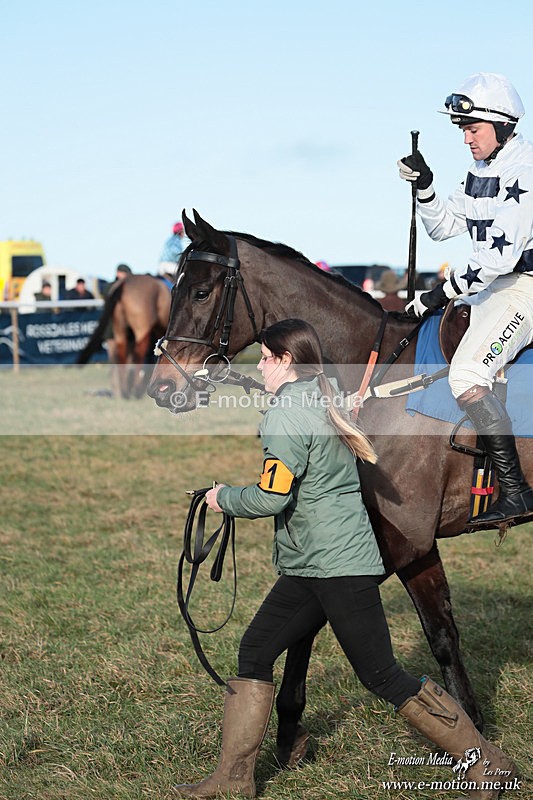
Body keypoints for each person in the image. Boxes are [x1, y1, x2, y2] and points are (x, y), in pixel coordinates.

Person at [172, 318, 515, 799]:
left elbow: (272, 496)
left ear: (287, 361)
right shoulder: (322, 390)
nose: (262, 365)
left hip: (336, 566)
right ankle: (233, 779)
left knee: (382, 676)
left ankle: (487, 765)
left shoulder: (287, 413)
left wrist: (223, 496)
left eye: (268, 357)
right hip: (311, 564)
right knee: (255, 652)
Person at [398, 72, 533, 526]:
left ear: (502, 125)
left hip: (524, 291)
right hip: (491, 290)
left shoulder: (524, 170)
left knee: (468, 372)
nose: (466, 139)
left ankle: (516, 492)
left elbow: (498, 257)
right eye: (463, 130)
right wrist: (426, 186)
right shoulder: (481, 172)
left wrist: (438, 292)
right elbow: (441, 227)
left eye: (472, 129)